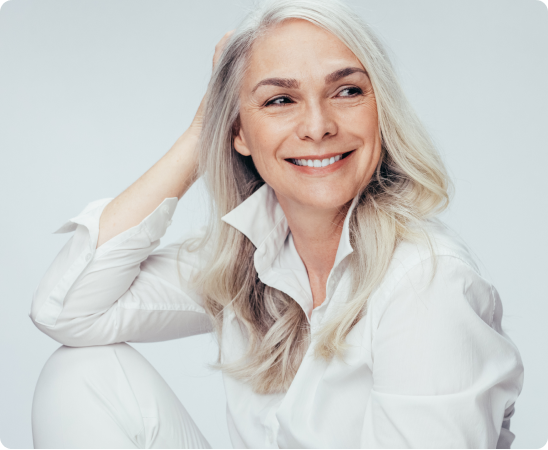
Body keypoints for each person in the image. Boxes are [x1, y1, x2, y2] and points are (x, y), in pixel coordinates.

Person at [29, 0, 523, 448]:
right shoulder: (250, 255)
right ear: (239, 132)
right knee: (82, 371)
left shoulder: (425, 284)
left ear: (382, 112)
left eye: (347, 90)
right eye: (280, 100)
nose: (317, 126)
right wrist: (201, 134)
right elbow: (68, 311)